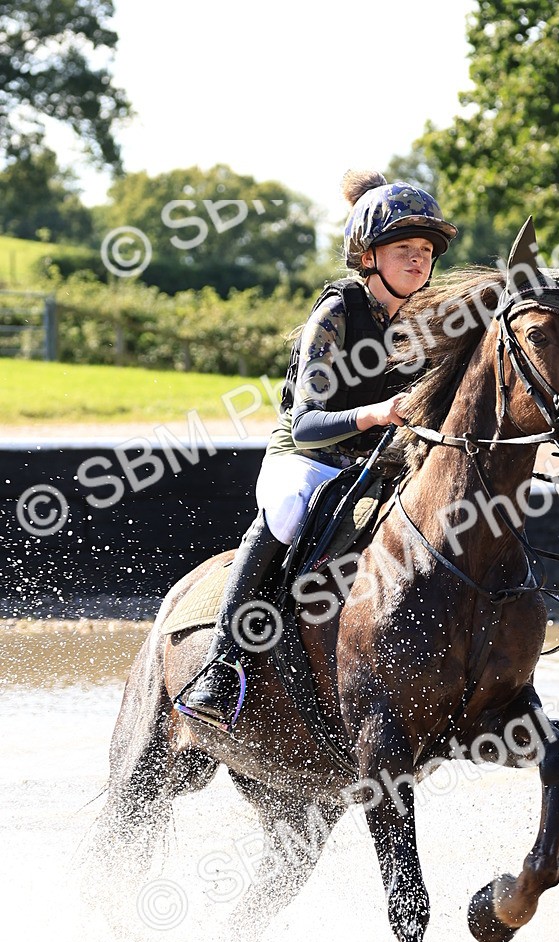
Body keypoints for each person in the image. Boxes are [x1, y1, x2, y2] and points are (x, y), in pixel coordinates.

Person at [177, 169, 458, 729]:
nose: (419, 260)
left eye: (426, 250)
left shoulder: (425, 324)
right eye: (404, 248)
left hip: (377, 459)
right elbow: (306, 422)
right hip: (305, 454)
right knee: (284, 514)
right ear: (369, 255)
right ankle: (221, 664)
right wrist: (374, 414)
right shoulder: (335, 314)